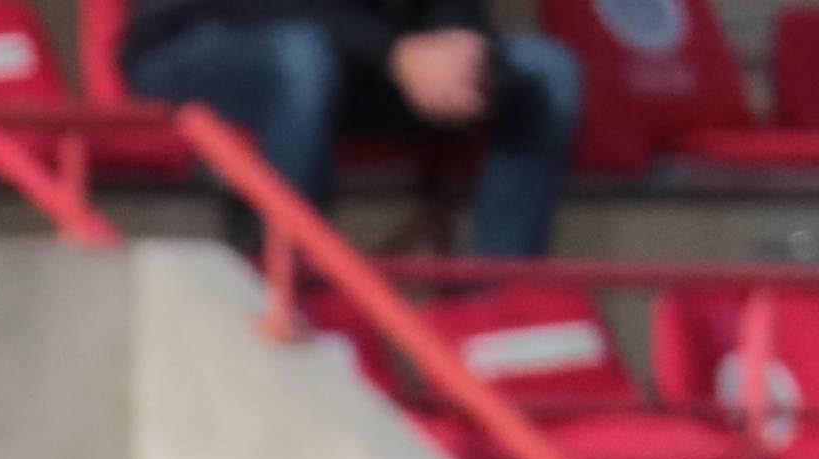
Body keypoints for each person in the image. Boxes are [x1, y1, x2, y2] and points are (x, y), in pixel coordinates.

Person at [122, 0, 578, 263]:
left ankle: (498, 307)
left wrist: (460, 51)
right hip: (201, 41)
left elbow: (450, 9)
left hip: (360, 62)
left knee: (548, 72)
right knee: (301, 60)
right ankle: (281, 285)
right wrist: (394, 54)